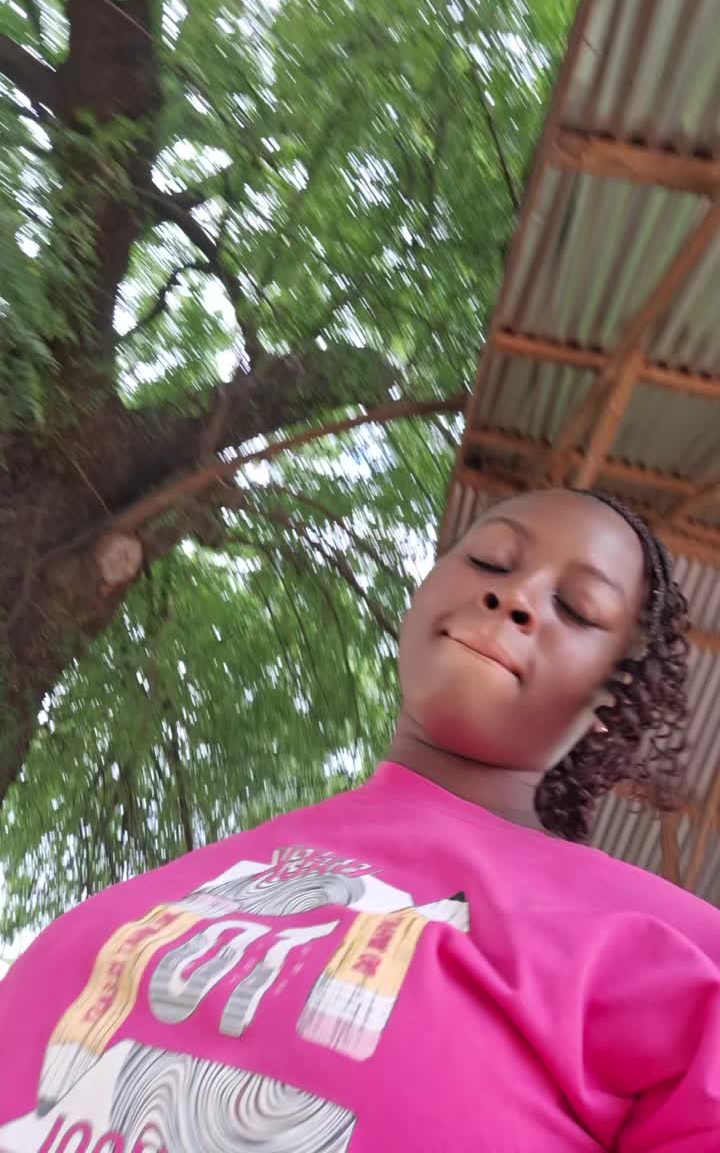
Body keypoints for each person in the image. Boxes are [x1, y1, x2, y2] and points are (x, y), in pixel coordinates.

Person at [1, 487, 718, 1152]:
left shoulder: (679, 952)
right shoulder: (217, 867)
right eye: (490, 560)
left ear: (608, 701)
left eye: (579, 609)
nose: (516, 594)